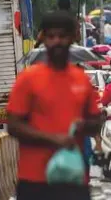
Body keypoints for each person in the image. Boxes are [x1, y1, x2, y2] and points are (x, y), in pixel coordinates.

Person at [7, 11, 102, 200]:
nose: (56, 41)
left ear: (72, 38)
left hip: (73, 178)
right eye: (51, 36)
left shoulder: (81, 80)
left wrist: (84, 126)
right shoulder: (28, 79)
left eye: (62, 36)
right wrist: (53, 139)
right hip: (34, 179)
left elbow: (96, 121)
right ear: (44, 39)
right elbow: (13, 126)